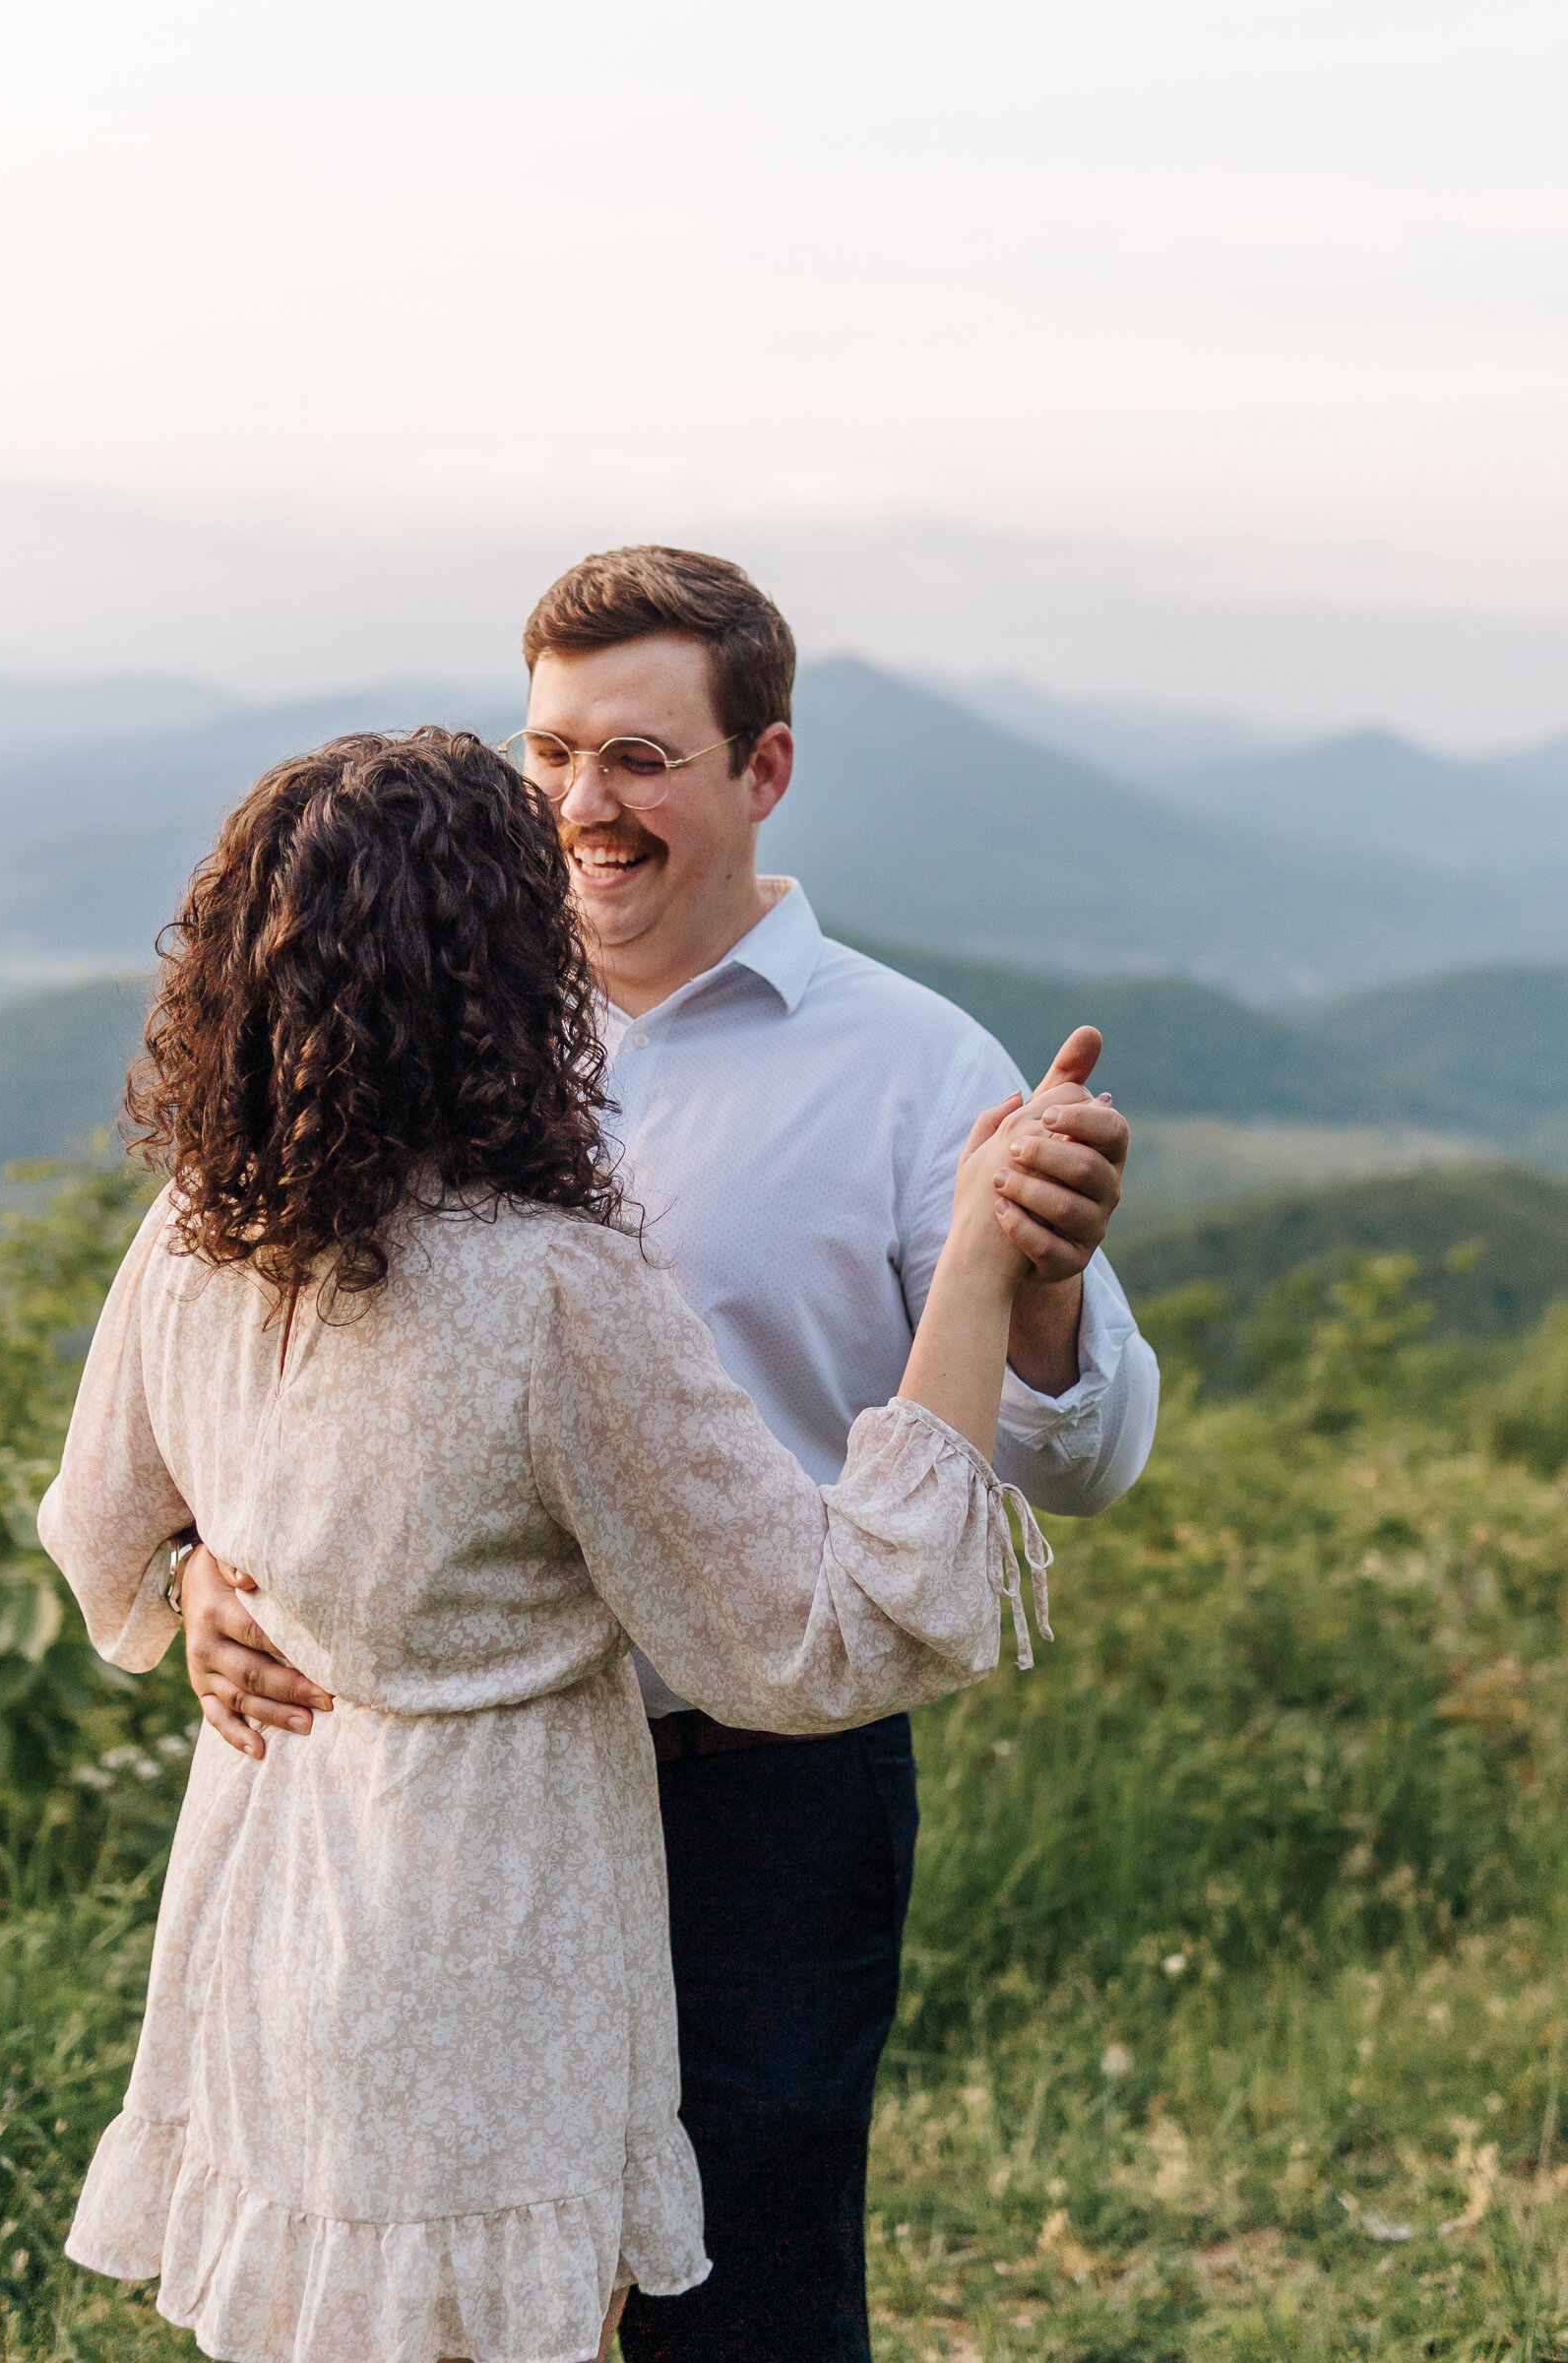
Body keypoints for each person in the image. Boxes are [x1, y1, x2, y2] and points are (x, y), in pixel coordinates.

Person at [181, 549, 1160, 2362]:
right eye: (550, 750)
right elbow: (239, 1355)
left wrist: (1040, 1294)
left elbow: (1089, 1462)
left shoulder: (912, 1065)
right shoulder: (413, 1014)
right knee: (456, 2288)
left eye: (638, 757)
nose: (581, 805)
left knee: (751, 2283)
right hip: (447, 1805)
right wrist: (198, 1572)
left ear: (763, 769)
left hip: (764, 1785)